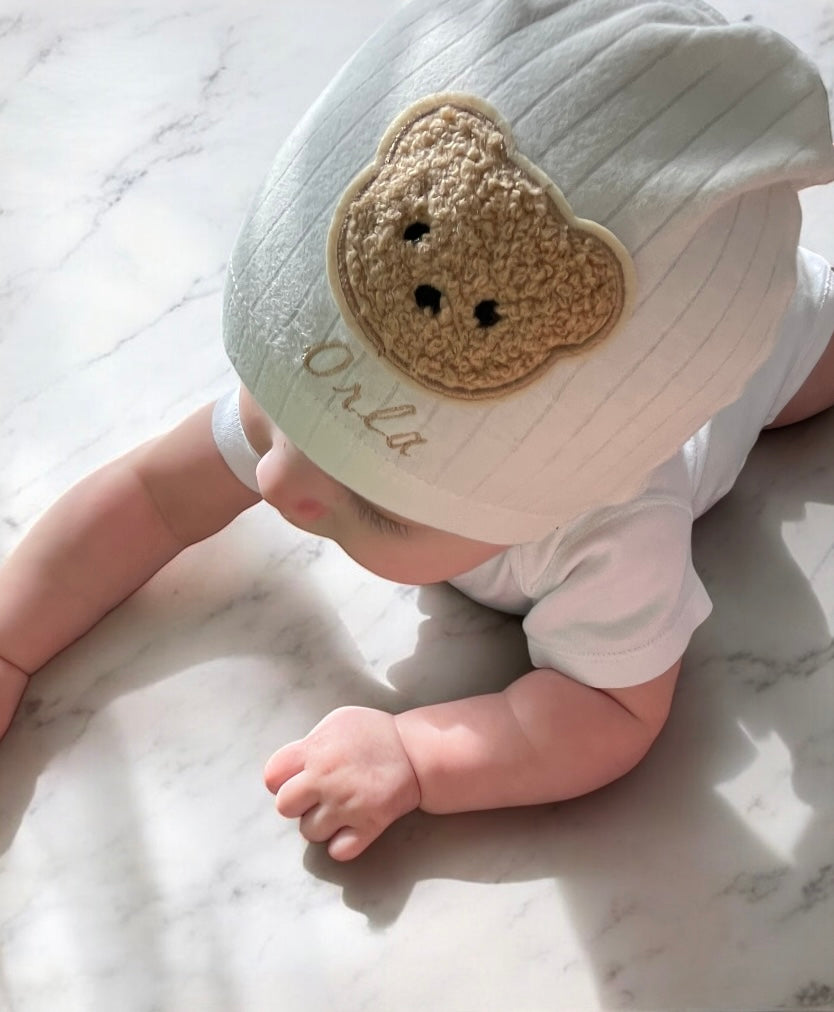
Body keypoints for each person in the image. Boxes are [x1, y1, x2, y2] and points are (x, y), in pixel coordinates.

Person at [2, 0, 834, 862]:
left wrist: (416, 755)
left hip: (788, 344)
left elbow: (611, 709)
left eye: (381, 505)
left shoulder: (617, 535)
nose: (277, 482)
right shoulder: (330, 400)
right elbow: (152, 497)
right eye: (275, 413)